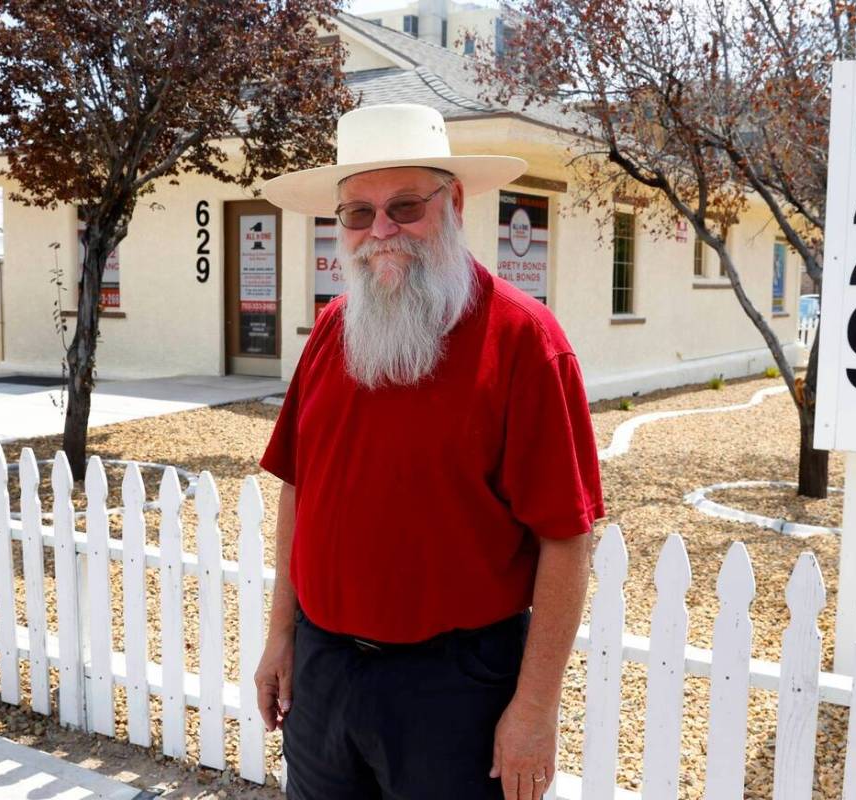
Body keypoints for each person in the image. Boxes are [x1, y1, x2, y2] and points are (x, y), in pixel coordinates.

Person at [253, 103, 605, 800]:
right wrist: (279, 636)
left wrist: (533, 708)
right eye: (357, 213)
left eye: (405, 206)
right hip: (323, 675)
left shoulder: (525, 343)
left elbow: (566, 539)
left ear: (454, 204)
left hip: (454, 692)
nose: (381, 231)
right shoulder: (331, 329)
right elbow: (298, 485)